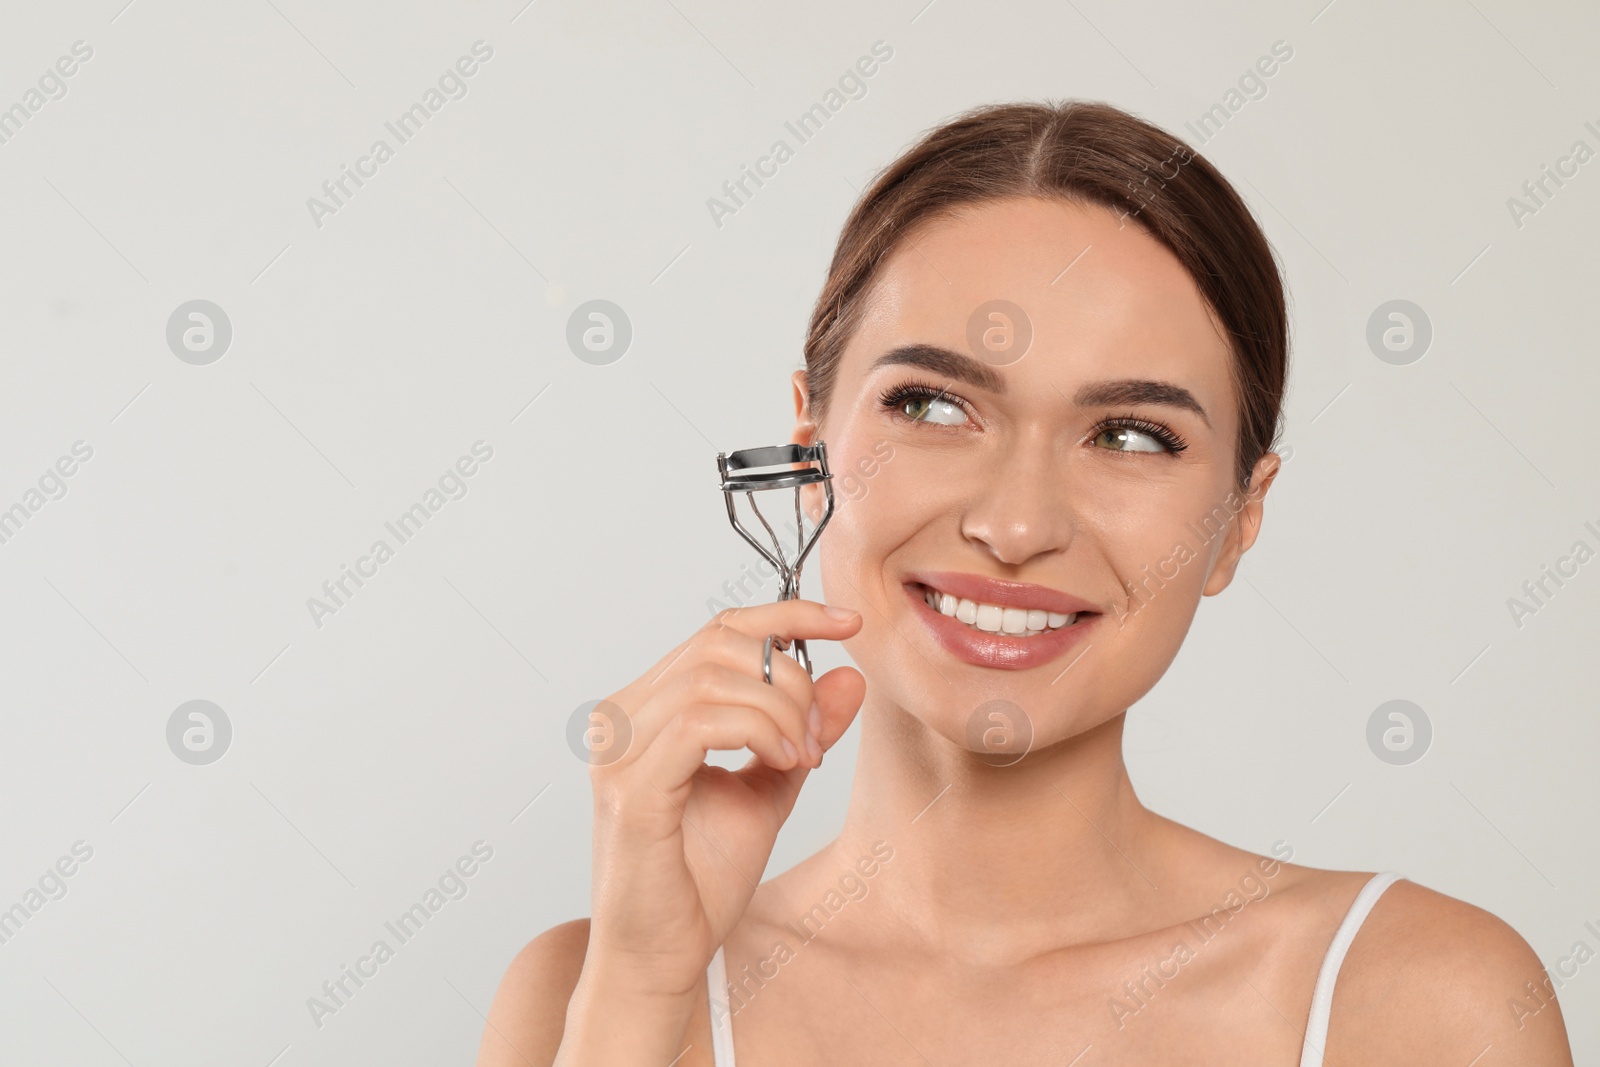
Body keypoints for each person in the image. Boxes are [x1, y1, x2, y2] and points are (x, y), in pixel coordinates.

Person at [475, 100, 1575, 1066]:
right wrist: (638, 992)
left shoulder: (1418, 999)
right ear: (809, 441)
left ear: (1241, 517)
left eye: (1133, 434)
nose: (1014, 524)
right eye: (934, 407)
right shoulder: (583, 993)